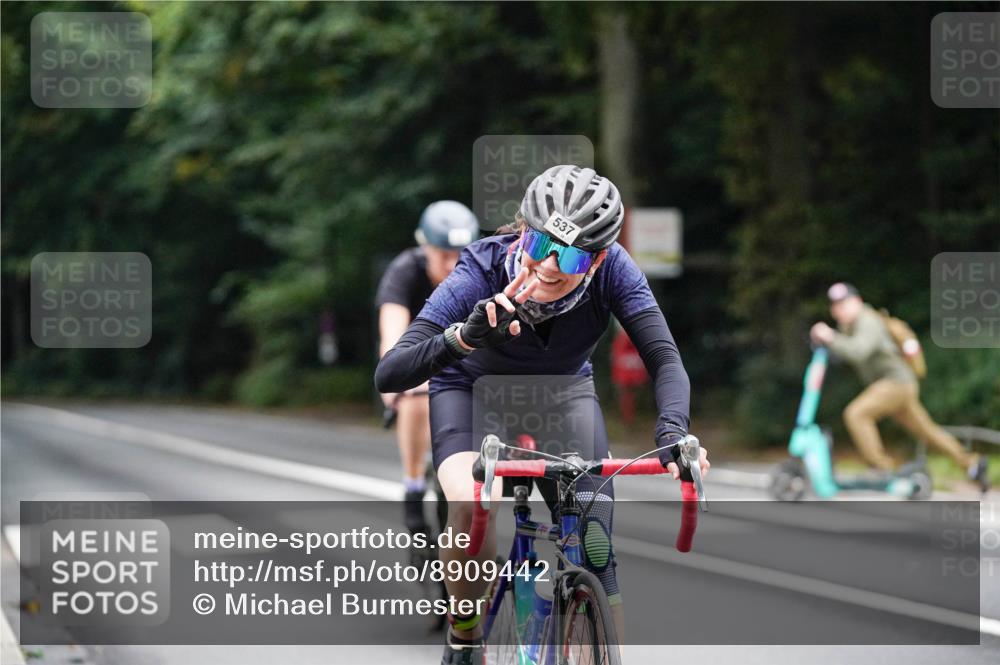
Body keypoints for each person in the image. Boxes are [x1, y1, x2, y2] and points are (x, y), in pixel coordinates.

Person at [375, 164, 710, 664]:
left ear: (597, 261)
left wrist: (673, 434)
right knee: (467, 504)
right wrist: (463, 337)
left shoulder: (617, 269)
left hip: (562, 392)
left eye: (572, 254)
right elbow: (391, 373)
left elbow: (663, 357)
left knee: (596, 544)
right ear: (523, 232)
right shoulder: (481, 267)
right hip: (472, 389)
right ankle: (464, 638)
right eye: (541, 246)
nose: (550, 266)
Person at [810, 282, 989, 491]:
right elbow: (846, 350)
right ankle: (972, 464)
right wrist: (830, 341)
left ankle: (881, 468)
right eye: (836, 306)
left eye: (844, 303)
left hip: (895, 383)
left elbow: (859, 351)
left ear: (857, 302)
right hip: (898, 385)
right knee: (927, 431)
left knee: (856, 414)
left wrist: (830, 337)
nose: (839, 310)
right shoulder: (848, 327)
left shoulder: (868, 321)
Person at [376, 201, 479, 534]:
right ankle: (413, 486)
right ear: (425, 248)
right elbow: (392, 333)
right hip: (420, 361)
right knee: (417, 395)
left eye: (458, 255)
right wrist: (398, 383)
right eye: (443, 255)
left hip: (469, 368)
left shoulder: (478, 273)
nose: (452, 265)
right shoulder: (405, 270)